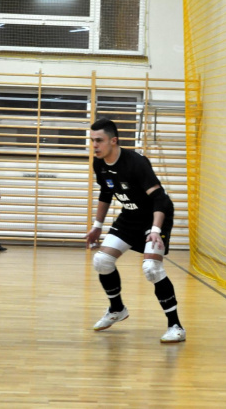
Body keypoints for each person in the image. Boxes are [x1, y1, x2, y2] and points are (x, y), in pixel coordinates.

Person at [85, 118, 185, 343]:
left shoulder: (136, 163)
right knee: (102, 261)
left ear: (114, 141)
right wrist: (97, 227)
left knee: (152, 268)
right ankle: (117, 309)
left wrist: (156, 230)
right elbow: (106, 193)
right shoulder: (99, 164)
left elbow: (160, 199)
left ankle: (176, 326)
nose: (95, 145)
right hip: (130, 217)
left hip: (156, 217)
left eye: (99, 140)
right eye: (92, 141)